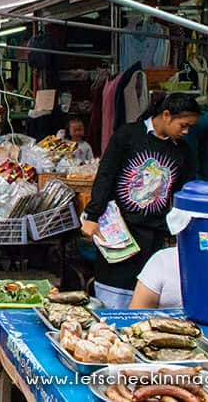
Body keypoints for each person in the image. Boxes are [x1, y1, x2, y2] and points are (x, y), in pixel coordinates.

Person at [80, 93, 199, 309]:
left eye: (190, 126)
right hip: (119, 232)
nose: (186, 131)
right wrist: (93, 215)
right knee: (113, 299)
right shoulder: (128, 135)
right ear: (166, 115)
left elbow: (184, 192)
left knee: (145, 297)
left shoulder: (182, 151)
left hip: (155, 235)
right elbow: (106, 175)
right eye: (183, 125)